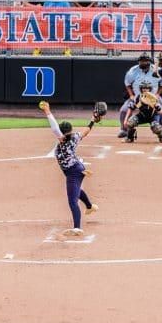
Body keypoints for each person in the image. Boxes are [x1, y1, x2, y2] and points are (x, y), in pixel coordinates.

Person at [39, 100, 99, 237]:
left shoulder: (63, 138)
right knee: (76, 190)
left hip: (74, 172)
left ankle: (77, 228)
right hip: (77, 169)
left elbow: (54, 128)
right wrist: (92, 120)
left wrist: (47, 111)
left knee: (72, 201)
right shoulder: (74, 137)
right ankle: (90, 207)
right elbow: (85, 131)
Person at [117, 53, 162, 138]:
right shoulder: (133, 71)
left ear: (149, 61)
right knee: (123, 110)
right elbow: (127, 84)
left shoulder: (157, 70)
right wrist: (131, 95)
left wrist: (158, 94)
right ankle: (124, 130)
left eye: (145, 61)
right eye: (141, 61)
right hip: (137, 96)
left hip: (153, 97)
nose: (143, 63)